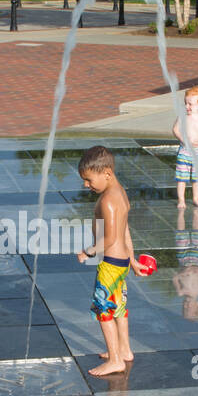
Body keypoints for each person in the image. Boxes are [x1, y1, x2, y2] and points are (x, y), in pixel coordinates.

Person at [76, 146, 143, 376]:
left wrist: (89, 251)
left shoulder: (108, 200)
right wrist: (132, 260)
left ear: (106, 172)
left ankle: (115, 360)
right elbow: (125, 232)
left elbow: (111, 237)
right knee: (119, 309)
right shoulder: (120, 193)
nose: (86, 185)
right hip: (121, 262)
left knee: (103, 310)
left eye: (88, 179)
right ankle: (124, 350)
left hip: (111, 264)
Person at [172, 86, 198, 207]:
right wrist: (183, 140)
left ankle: (195, 198)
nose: (187, 107)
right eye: (185, 103)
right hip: (185, 151)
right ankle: (181, 200)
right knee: (181, 178)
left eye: (190, 104)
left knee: (197, 178)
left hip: (197, 151)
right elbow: (175, 129)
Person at [173, 204, 198, 320]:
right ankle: (196, 212)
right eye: (189, 308)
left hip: (184, 261)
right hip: (196, 261)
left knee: (181, 235)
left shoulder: (181, 292)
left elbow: (175, 278)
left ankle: (181, 213)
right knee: (197, 234)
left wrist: (183, 273)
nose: (186, 305)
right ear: (197, 306)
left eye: (184, 308)